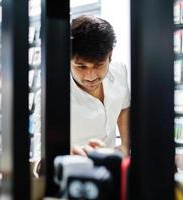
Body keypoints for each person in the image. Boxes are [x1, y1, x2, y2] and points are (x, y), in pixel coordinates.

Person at [32, 15, 130, 160]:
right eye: (81, 66)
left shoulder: (119, 71)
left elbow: (124, 107)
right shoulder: (51, 96)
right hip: (73, 175)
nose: (90, 76)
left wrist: (125, 145)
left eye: (98, 65)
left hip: (111, 172)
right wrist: (62, 159)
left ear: (110, 55)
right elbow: (40, 160)